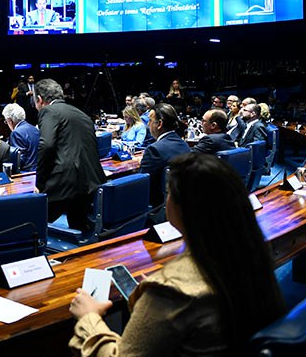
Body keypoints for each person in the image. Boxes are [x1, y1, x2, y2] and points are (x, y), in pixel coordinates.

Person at [69, 153, 285, 355]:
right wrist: (152, 304)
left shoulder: (171, 291)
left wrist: (89, 317)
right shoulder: (251, 254)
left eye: (170, 192)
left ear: (183, 208)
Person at [34, 78, 106, 230]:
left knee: (33, 220)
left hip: (65, 182)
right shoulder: (82, 114)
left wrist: (39, 184)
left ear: (39, 100)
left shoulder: (48, 111)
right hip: (91, 181)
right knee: (79, 225)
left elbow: (46, 145)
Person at [138, 103, 190, 209]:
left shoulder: (154, 150)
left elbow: (142, 186)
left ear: (160, 123)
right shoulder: (184, 144)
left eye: (150, 121)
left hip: (156, 206)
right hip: (181, 201)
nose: (148, 125)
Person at [2, 103, 40, 171]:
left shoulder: (16, 133)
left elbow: (18, 160)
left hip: (26, 174)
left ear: (10, 121)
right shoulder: (35, 129)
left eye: (6, 121)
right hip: (40, 171)